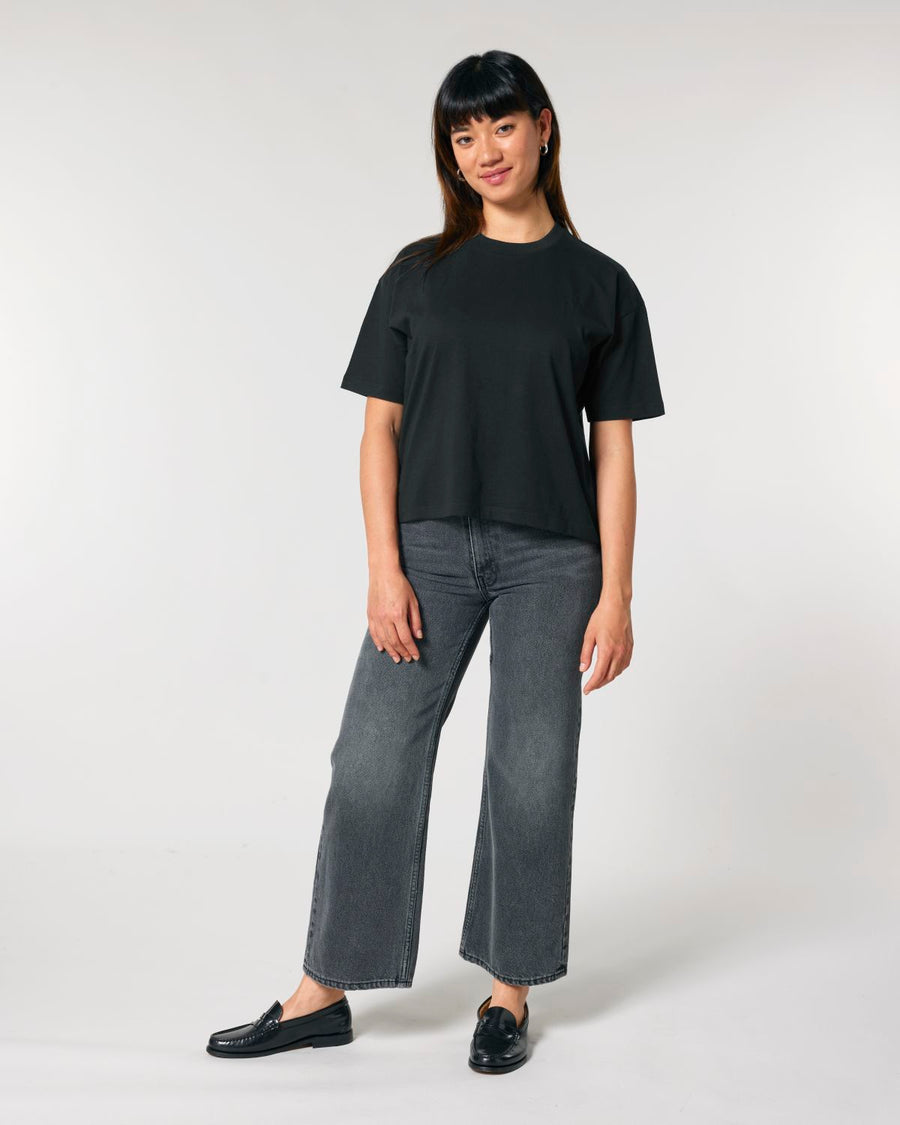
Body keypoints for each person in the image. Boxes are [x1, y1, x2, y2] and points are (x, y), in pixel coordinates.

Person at [206, 48, 665, 1076]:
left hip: (555, 560)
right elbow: (379, 433)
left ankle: (507, 993)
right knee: (371, 758)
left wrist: (619, 593)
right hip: (428, 551)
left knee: (531, 771)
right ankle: (324, 989)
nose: (484, 152)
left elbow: (617, 448)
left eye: (501, 127)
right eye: (462, 137)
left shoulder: (602, 287)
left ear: (544, 126)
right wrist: (383, 566)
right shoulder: (418, 274)